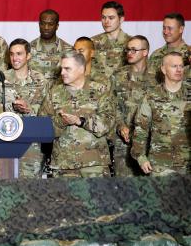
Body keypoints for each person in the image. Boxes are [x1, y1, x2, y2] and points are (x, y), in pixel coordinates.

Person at [38, 51, 114, 177]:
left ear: (81, 69)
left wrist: (81, 121)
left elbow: (108, 122)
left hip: (94, 164)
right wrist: (60, 121)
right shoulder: (54, 93)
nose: (62, 73)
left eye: (67, 69)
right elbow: (42, 128)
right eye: (61, 68)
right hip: (63, 164)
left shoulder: (100, 90)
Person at [0, 38, 48, 177]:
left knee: (30, 188)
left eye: (19, 54)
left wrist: (29, 110)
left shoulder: (41, 80)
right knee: (4, 187)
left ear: (28, 56)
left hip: (32, 145)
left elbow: (47, 113)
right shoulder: (1, 79)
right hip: (5, 142)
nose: (14, 58)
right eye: (11, 54)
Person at [131, 52, 190, 176]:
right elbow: (141, 129)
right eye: (174, 66)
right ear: (163, 69)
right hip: (160, 166)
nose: (179, 69)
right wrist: (141, 157)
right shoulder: (151, 96)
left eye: (181, 66)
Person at [111, 35, 152, 176]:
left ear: (145, 52)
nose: (129, 53)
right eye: (128, 50)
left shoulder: (158, 75)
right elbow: (112, 105)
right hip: (124, 142)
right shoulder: (118, 75)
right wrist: (120, 125)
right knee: (125, 190)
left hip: (151, 142)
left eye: (134, 50)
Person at [28, 9, 72, 83]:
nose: (46, 27)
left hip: (59, 93)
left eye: (51, 24)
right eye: (43, 23)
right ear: (39, 24)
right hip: (34, 93)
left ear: (57, 26)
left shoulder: (69, 50)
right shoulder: (28, 49)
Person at [91, 1, 132, 76]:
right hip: (98, 86)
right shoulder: (91, 43)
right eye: (103, 17)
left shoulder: (132, 43)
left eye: (111, 18)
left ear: (121, 19)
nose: (106, 21)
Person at [148, 13, 190, 82]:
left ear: (181, 29)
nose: (166, 32)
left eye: (170, 28)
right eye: (164, 28)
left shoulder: (189, 54)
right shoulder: (156, 55)